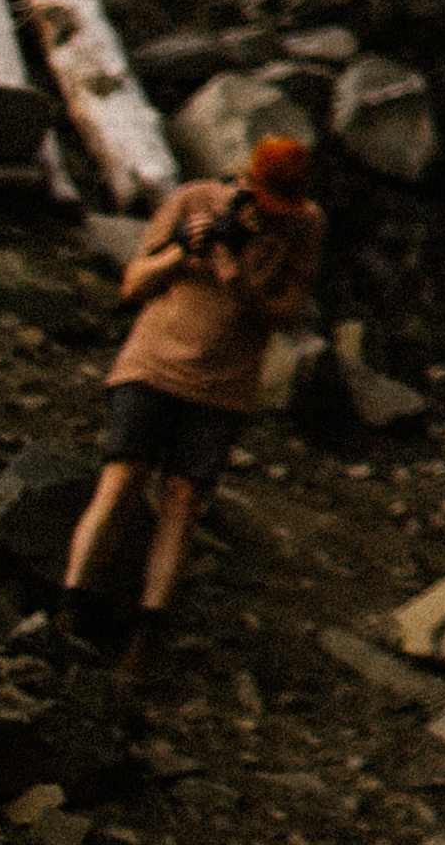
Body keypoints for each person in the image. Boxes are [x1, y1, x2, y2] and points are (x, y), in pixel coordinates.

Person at [61, 132, 325, 663]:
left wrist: (239, 280)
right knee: (121, 480)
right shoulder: (194, 200)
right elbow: (133, 284)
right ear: (245, 183)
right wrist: (184, 249)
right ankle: (72, 603)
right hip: (153, 364)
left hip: (224, 385)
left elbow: (287, 313)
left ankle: (147, 627)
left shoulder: (306, 227)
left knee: (182, 502)